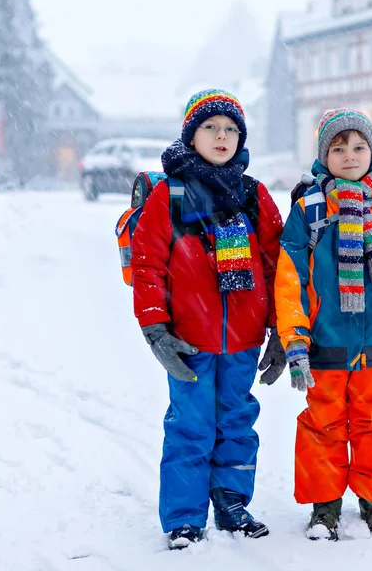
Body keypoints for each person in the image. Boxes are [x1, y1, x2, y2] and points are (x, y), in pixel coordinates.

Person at [130, 89, 285, 550]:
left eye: (231, 130)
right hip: (188, 340)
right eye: (211, 128)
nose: (222, 137)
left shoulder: (254, 194)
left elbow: (280, 265)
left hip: (243, 338)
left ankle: (232, 503)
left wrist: (282, 331)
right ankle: (184, 517)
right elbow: (148, 264)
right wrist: (156, 329)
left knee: (236, 421)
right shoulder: (169, 193)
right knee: (191, 425)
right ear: (190, 135)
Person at [275, 108, 372, 543]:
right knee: (323, 421)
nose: (349, 155)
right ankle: (324, 506)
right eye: (338, 147)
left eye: (359, 146)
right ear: (323, 155)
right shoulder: (308, 210)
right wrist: (294, 340)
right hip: (324, 343)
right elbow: (291, 280)